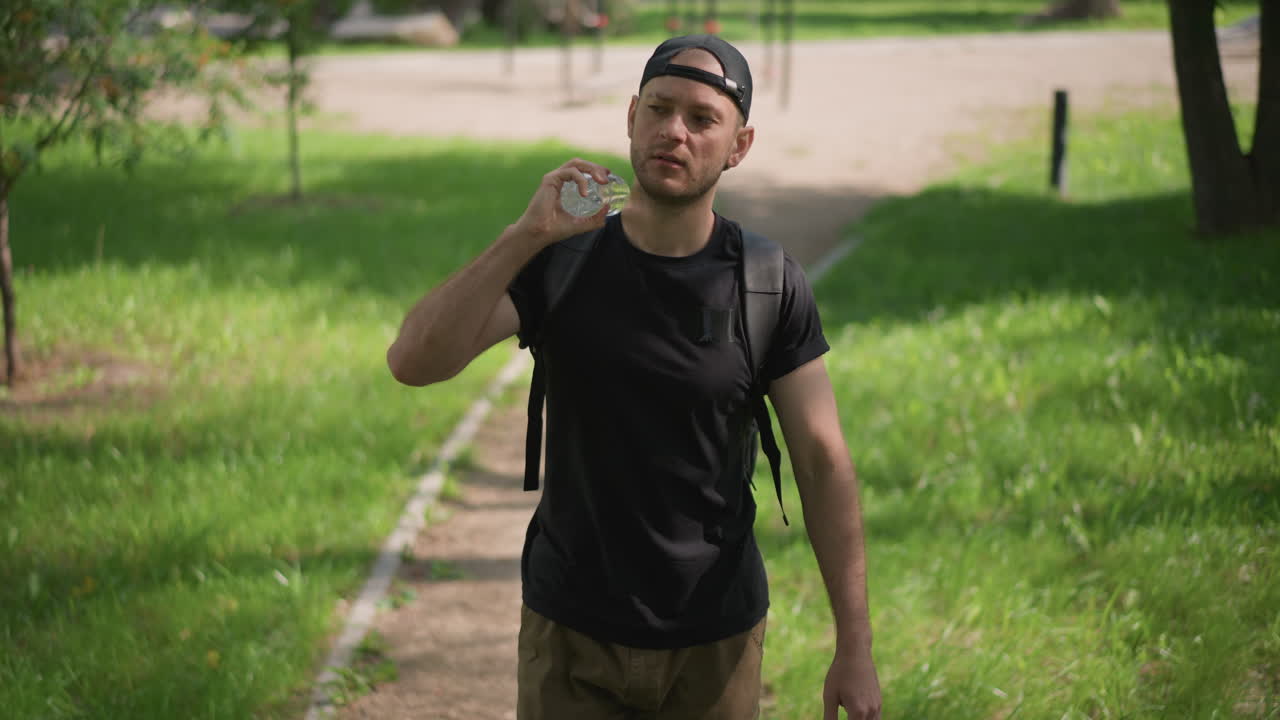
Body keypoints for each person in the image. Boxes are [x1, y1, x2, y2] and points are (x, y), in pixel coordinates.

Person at [387, 34, 881, 720]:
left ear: (739, 146)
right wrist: (524, 237)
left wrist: (854, 645)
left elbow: (824, 462)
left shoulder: (766, 283)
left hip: (715, 644)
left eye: (703, 119)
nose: (673, 132)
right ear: (630, 117)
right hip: (571, 633)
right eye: (659, 109)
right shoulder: (563, 263)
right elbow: (412, 362)